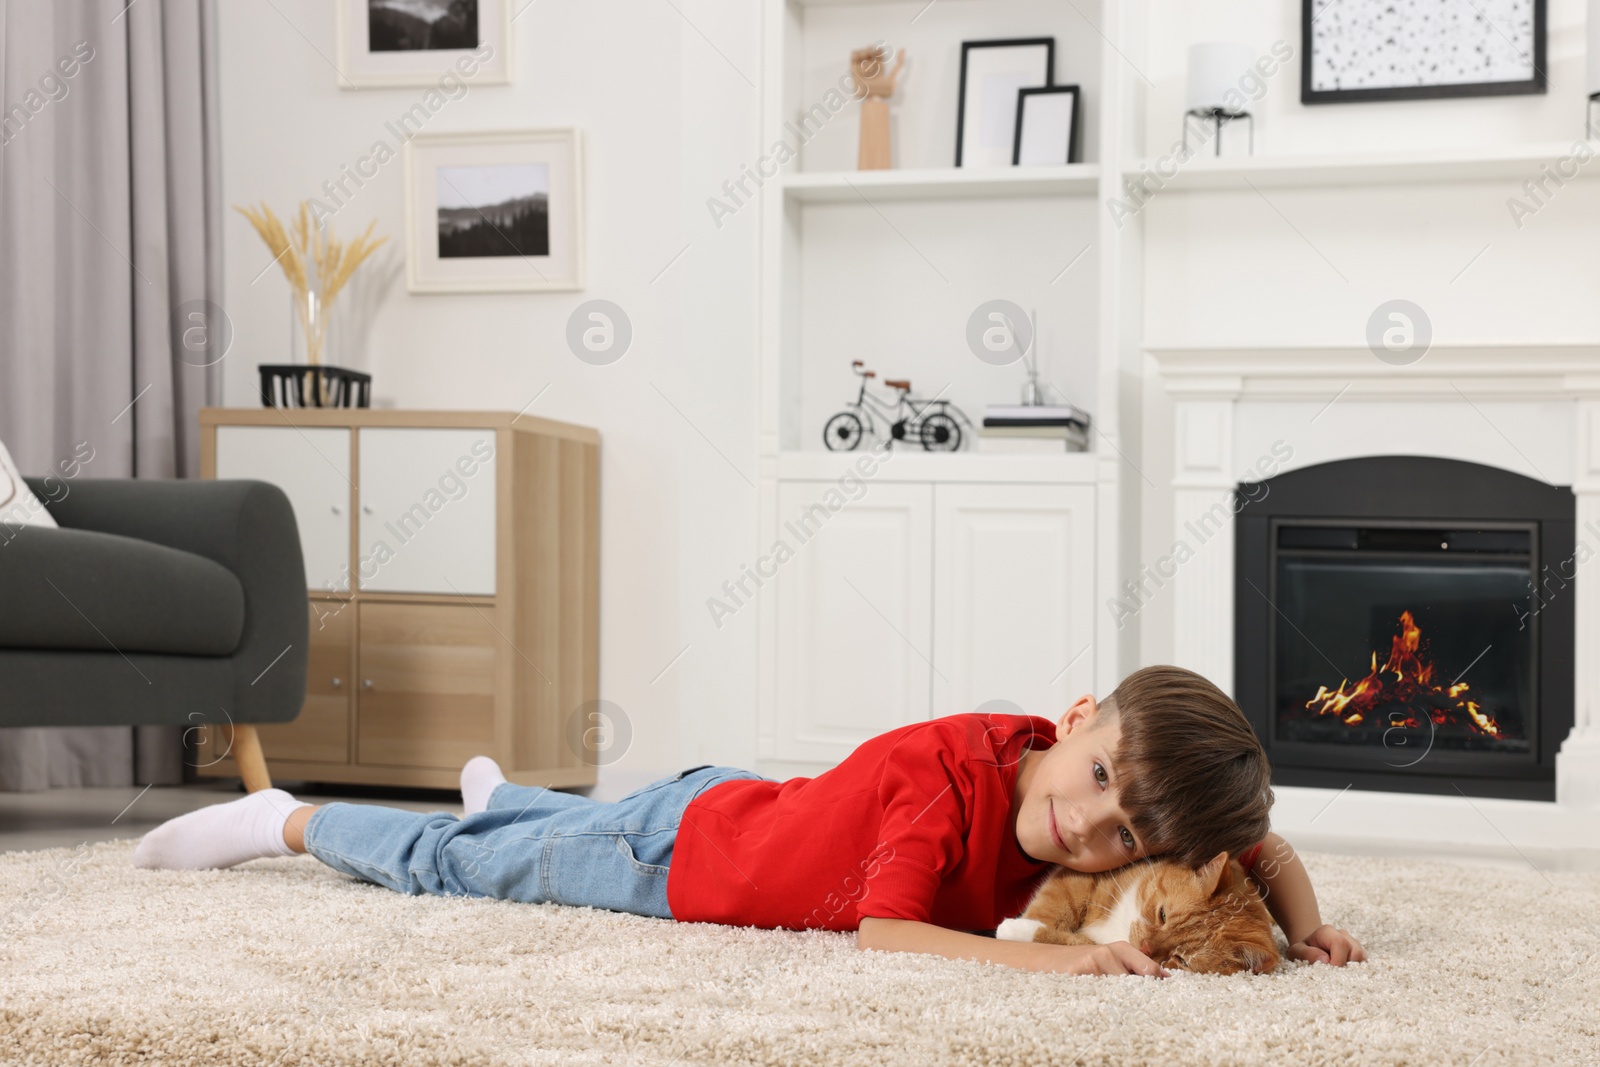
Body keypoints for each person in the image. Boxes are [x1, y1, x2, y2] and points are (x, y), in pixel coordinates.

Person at [133, 664, 1366, 976]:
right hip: (674, 861)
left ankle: (505, 793)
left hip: (740, 799)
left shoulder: (1131, 804)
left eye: (1126, 840)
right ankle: (287, 818)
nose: (1089, 836)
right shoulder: (952, 776)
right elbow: (886, 937)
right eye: (1098, 784)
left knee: (530, 824)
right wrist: (1062, 967)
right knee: (463, 869)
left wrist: (1308, 926)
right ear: (1078, 714)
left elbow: (1256, 842)